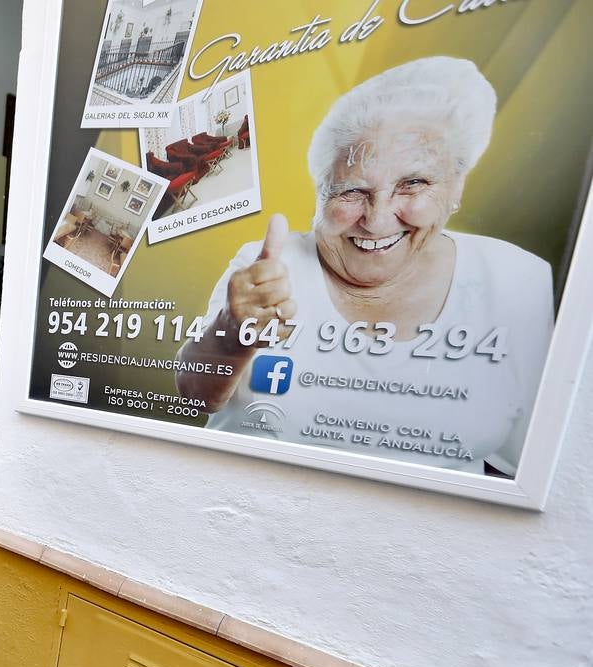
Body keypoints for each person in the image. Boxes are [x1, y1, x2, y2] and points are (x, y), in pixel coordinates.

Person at [177, 56, 553, 476]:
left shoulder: (519, 279)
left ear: (456, 185)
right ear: (320, 193)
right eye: (352, 191)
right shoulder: (266, 269)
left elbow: (527, 468)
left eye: (413, 183)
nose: (377, 221)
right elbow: (195, 398)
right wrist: (233, 332)